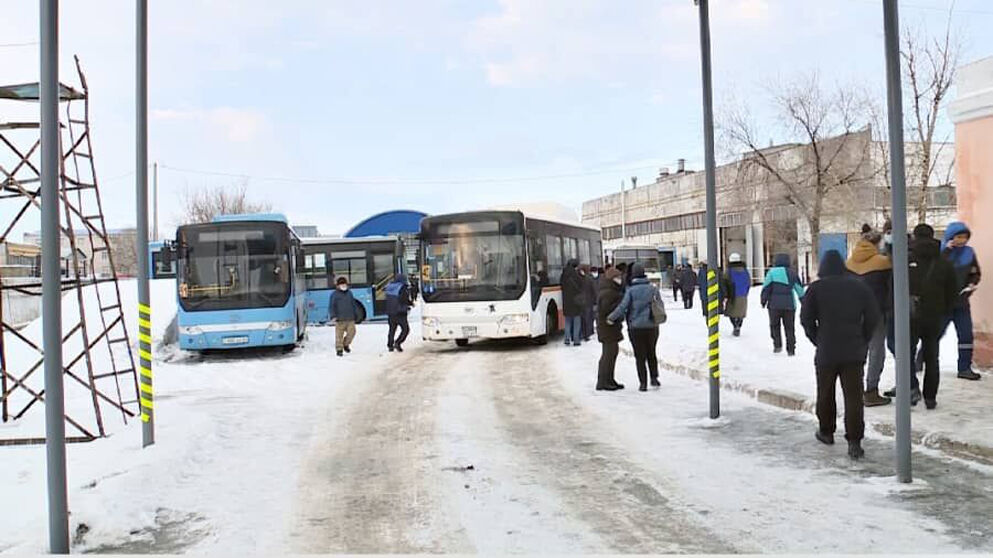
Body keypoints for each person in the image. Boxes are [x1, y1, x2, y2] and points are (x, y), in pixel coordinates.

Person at [800, 250, 881, 460]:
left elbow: (806, 319)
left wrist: (818, 339)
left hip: (827, 350)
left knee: (825, 393)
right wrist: (863, 339)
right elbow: (873, 316)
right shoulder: (859, 287)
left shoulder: (815, 289)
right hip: (854, 350)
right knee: (854, 397)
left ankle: (826, 431)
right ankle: (854, 442)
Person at [885, 224, 959, 409]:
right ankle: (930, 397)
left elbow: (894, 288)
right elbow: (953, 292)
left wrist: (894, 311)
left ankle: (911, 388)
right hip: (934, 316)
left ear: (915, 237)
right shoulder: (944, 262)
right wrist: (943, 311)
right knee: (932, 357)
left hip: (908, 315)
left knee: (906, 353)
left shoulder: (905, 260)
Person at [846, 225, 893, 407]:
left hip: (853, 314)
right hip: (875, 314)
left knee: (857, 351)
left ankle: (854, 389)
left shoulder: (849, 263)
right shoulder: (883, 262)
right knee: (876, 351)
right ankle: (871, 391)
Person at [929, 222, 982, 380]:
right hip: (943, 303)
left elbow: (975, 272)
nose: (962, 240)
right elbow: (934, 271)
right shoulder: (940, 252)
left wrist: (972, 283)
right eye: (958, 237)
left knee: (966, 335)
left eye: (965, 237)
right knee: (935, 334)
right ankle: (922, 358)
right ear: (950, 237)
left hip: (961, 301)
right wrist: (946, 251)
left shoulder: (969, 253)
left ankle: (964, 367)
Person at [607, 263, 663, 392]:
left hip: (635, 328)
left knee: (640, 356)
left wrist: (611, 317)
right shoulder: (653, 289)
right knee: (651, 353)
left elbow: (622, 307)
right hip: (652, 326)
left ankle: (643, 383)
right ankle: (654, 378)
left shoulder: (630, 291)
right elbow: (659, 305)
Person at [761, 253, 805, 356]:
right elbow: (799, 289)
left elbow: (766, 288)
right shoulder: (792, 273)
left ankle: (777, 345)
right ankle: (791, 349)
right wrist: (804, 302)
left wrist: (763, 300)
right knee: (789, 327)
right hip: (789, 305)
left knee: (775, 325)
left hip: (774, 305)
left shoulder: (771, 272)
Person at [596, 268, 626, 391]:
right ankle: (603, 382)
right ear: (613, 279)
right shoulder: (609, 292)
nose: (620, 280)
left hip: (609, 328)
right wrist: (620, 307)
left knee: (611, 354)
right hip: (607, 327)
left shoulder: (611, 291)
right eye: (618, 277)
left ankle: (609, 379)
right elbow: (606, 310)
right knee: (608, 355)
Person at [329, 276, 359, 357]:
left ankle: (346, 344)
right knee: (339, 335)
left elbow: (353, 304)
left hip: (350, 318)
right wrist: (333, 316)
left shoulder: (349, 293)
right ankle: (339, 349)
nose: (343, 285)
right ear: (337, 285)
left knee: (352, 333)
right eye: (341, 284)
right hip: (340, 319)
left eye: (344, 284)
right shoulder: (334, 295)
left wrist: (356, 314)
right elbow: (332, 306)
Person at [560, 259, 586, 346]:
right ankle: (576, 340)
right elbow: (582, 285)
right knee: (576, 321)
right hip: (576, 301)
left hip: (566, 301)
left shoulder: (563, 275)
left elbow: (562, 286)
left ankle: (567, 339)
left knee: (567, 321)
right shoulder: (576, 275)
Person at [724, 253, 750, 337]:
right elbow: (748, 281)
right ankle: (739, 325)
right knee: (741, 312)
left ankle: (735, 325)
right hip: (743, 294)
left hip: (732, 294)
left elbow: (725, 282)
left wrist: (725, 294)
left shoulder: (728, 271)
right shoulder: (745, 270)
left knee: (731, 312)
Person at [385, 273, 412, 352]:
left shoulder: (389, 287)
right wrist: (410, 303)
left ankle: (390, 345)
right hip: (400, 312)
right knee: (405, 329)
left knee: (392, 329)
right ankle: (398, 342)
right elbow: (404, 299)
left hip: (391, 312)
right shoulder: (402, 287)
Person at [581, 264, 598, 342]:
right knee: (588, 317)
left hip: (581, 301)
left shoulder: (580, 278)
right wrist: (596, 300)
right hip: (588, 301)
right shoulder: (590, 279)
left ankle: (583, 333)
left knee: (583, 318)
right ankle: (587, 334)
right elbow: (594, 290)